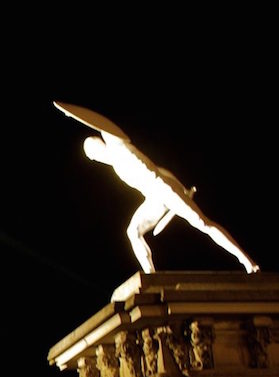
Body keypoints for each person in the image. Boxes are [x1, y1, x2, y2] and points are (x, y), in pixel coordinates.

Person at [57, 102, 258, 274]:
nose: (96, 157)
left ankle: (247, 261)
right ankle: (151, 276)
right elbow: (161, 168)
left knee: (202, 224)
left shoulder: (118, 146)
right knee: (133, 232)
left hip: (163, 188)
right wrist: (178, 183)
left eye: (94, 151)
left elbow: (103, 124)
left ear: (100, 144)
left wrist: (73, 114)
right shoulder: (116, 167)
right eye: (93, 157)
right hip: (154, 197)